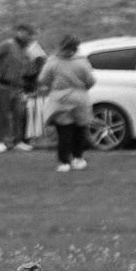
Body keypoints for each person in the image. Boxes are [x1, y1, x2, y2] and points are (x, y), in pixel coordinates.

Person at [36, 36, 93, 173]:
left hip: (60, 99)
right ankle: (78, 158)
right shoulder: (82, 62)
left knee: (64, 131)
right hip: (80, 98)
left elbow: (43, 79)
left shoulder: (53, 61)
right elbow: (90, 80)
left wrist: (53, 86)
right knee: (79, 130)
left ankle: (64, 162)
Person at [0, 25, 29, 152]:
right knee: (2, 115)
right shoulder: (8, 45)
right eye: (23, 32)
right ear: (18, 32)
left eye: (27, 34)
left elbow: (23, 68)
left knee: (18, 114)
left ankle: (18, 141)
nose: (25, 36)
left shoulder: (24, 49)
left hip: (17, 87)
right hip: (3, 85)